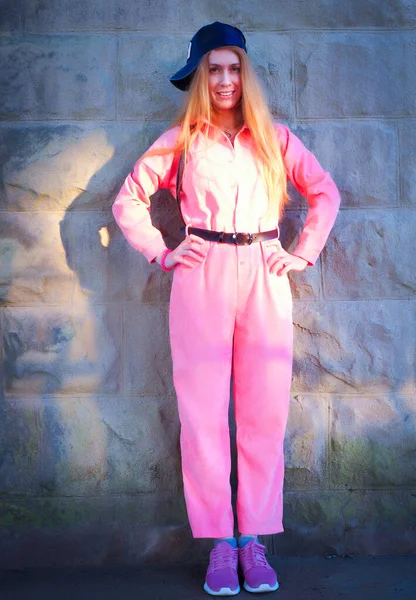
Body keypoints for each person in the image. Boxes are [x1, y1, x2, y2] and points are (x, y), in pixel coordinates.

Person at [112, 21, 340, 596]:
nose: (224, 79)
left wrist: (301, 252)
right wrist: (165, 252)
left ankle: (254, 541)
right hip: (201, 275)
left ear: (246, 74)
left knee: (264, 415)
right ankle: (220, 545)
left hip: (264, 271)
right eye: (212, 69)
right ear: (199, 77)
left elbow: (325, 193)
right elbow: (129, 200)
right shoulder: (182, 139)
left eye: (233, 68)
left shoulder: (275, 139)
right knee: (203, 416)